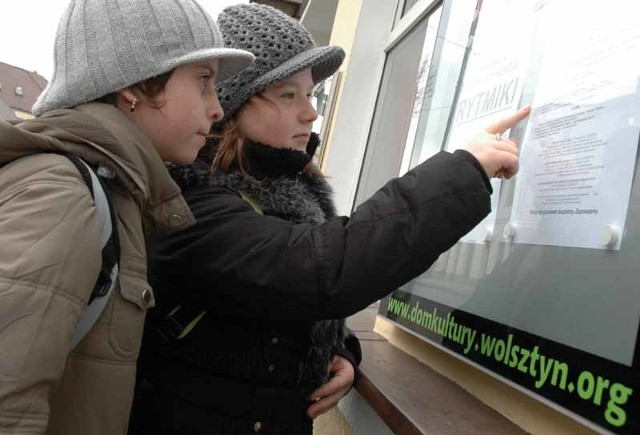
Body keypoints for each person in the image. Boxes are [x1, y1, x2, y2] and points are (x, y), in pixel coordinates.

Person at [129, 3, 530, 435]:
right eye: (288, 94)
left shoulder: (288, 192)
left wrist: (339, 350)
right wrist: (464, 169)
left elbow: (279, 301)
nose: (311, 112)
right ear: (232, 105)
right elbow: (321, 269)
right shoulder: (188, 202)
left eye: (311, 94)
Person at [0, 0, 253, 434]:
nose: (217, 109)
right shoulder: (64, 195)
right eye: (204, 81)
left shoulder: (115, 189)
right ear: (134, 87)